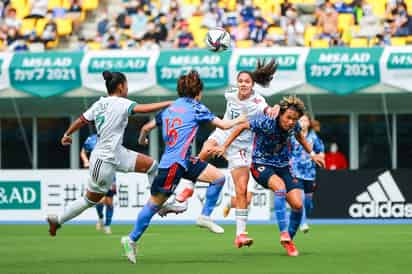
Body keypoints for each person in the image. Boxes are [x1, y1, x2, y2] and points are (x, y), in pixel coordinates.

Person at [120, 70, 246, 264]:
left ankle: (204, 217)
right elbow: (223, 125)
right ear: (198, 92)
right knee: (153, 204)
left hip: (183, 160)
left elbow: (146, 128)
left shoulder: (170, 108)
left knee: (218, 178)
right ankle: (131, 239)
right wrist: (243, 118)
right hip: (173, 165)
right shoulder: (196, 107)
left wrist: (142, 139)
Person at [161, 59, 279, 245]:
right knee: (205, 150)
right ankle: (187, 190)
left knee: (241, 191)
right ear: (236, 83)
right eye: (240, 81)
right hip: (224, 133)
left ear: (252, 85)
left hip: (242, 147)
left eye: (247, 81)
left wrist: (274, 109)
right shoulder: (230, 94)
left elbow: (267, 109)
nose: (243, 84)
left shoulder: (258, 102)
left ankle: (240, 234)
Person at [46, 71, 172, 236]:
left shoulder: (100, 104)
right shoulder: (121, 103)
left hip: (117, 152)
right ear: (120, 86)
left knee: (152, 166)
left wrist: (67, 134)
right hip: (103, 159)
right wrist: (170, 102)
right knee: (90, 200)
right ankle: (58, 220)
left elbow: (81, 120)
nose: (127, 88)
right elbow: (143, 109)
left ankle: (158, 204)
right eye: (126, 85)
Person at [212, 96, 324, 257]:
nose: (291, 122)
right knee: (280, 188)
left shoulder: (295, 125)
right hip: (261, 164)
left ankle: (289, 240)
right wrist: (224, 146)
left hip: (284, 166)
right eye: (288, 118)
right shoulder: (267, 121)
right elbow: (242, 126)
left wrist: (312, 154)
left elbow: (300, 137)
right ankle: (283, 232)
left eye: (294, 119)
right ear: (280, 115)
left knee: (298, 205)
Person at [290, 113, 325, 233]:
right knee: (300, 198)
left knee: (308, 202)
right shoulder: (292, 135)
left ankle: (305, 213)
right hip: (295, 171)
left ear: (309, 123)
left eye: (305, 121)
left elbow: (320, 151)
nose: (303, 123)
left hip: (310, 173)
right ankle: (303, 223)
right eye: (301, 120)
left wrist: (320, 157)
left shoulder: (313, 137)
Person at [80, 133, 116, 235]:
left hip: (110, 173)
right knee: (100, 201)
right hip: (96, 173)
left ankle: (108, 225)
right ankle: (101, 218)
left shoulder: (112, 138)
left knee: (109, 202)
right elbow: (83, 151)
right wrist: (85, 161)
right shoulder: (91, 139)